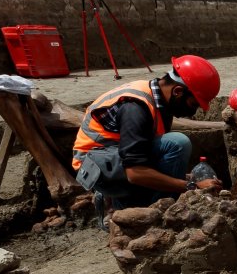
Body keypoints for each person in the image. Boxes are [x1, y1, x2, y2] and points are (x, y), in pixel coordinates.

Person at [73, 55, 224, 217]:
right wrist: (192, 186)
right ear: (178, 91)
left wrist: (188, 179)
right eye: (193, 104)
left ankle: (131, 205)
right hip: (95, 168)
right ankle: (152, 213)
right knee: (178, 143)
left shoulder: (161, 102)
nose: (193, 112)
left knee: (173, 146)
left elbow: (144, 155)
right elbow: (135, 172)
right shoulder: (135, 108)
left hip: (114, 158)